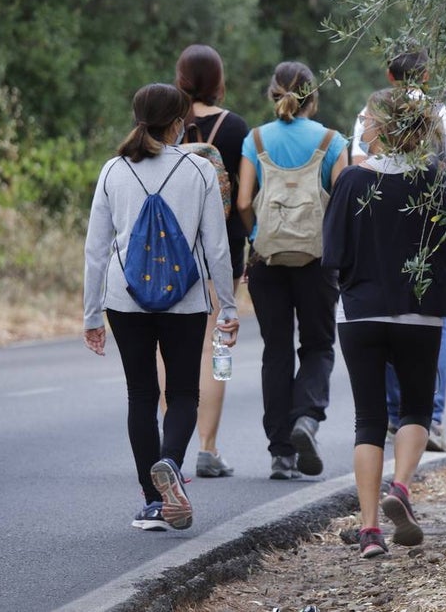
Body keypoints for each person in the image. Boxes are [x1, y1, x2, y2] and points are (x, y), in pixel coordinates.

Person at [82, 83, 240, 531]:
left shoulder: (113, 170)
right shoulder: (199, 171)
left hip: (123, 298)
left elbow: (96, 249)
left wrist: (92, 314)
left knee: (141, 395)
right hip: (185, 298)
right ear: (178, 123)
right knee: (184, 393)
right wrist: (227, 306)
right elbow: (216, 247)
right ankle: (170, 462)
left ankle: (153, 502)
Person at [323, 87, 446, 559]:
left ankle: (369, 532)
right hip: (419, 311)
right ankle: (400, 488)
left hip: (361, 310)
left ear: (379, 127)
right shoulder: (432, 180)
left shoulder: (352, 181)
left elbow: (333, 253)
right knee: (416, 410)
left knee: (368, 419)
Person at [351, 46, 446, 452]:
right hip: (434, 231)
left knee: (390, 312)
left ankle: (395, 417)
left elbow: (358, 166)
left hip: (382, 231)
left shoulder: (369, 113)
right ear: (427, 77)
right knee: (438, 321)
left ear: (390, 77)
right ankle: (431, 419)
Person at [236, 61, 349, 480]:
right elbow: (342, 204)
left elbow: (244, 202)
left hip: (268, 261)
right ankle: (307, 418)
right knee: (318, 345)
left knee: (276, 350)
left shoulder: (256, 139)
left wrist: (258, 238)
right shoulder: (333, 141)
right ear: (312, 96)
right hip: (317, 261)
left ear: (272, 93)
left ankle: (281, 453)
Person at [170, 44, 250, 478]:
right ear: (218, 80)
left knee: (170, 348)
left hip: (168, 250)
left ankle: (172, 449)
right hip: (221, 248)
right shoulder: (235, 127)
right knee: (213, 344)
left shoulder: (166, 122)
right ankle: (208, 446)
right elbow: (244, 199)